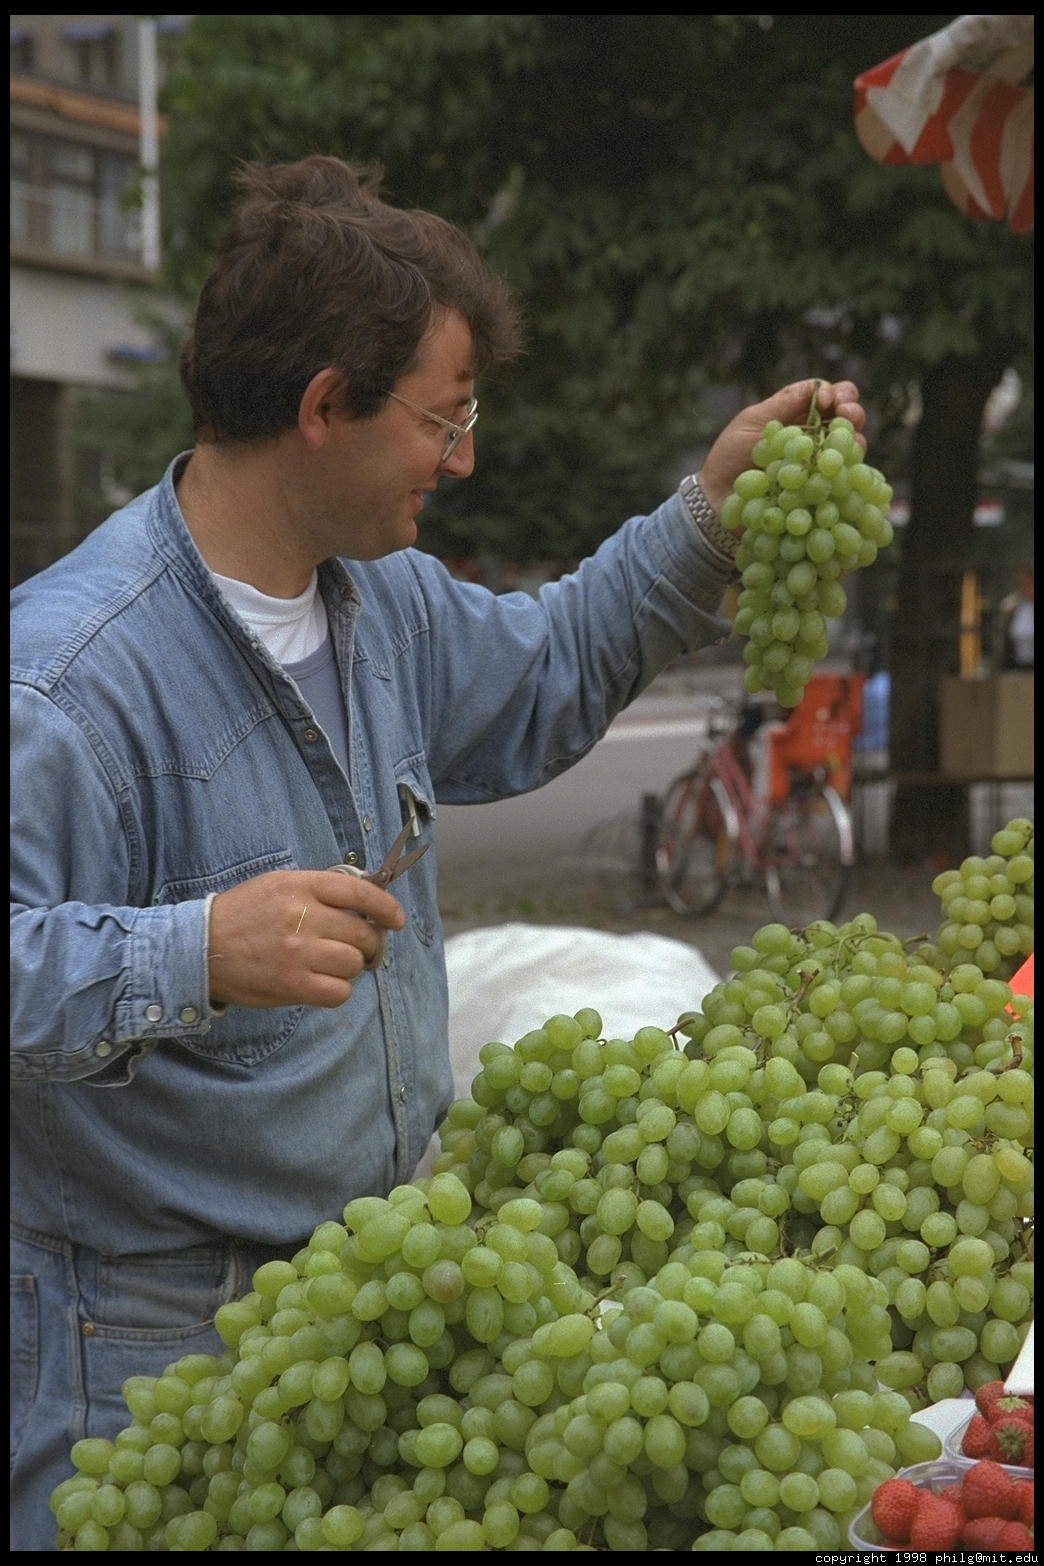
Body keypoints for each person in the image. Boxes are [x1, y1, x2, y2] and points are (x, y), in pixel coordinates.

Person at [10, 152, 867, 1550]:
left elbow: (547, 670)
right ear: (322, 408)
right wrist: (195, 948)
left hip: (362, 1302)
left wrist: (707, 518)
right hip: (140, 1349)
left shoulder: (382, 602)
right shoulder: (66, 681)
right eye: (443, 417)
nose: (463, 458)